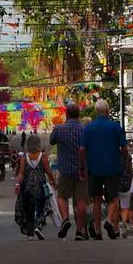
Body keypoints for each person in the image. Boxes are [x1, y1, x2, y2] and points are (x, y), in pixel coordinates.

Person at [80, 98, 127, 241]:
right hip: (112, 167)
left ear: (96, 112)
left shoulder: (88, 128)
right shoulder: (115, 127)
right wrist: (123, 159)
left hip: (94, 169)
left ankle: (97, 231)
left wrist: (82, 167)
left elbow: (82, 149)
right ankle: (108, 221)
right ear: (107, 111)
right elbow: (124, 148)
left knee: (96, 200)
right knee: (113, 198)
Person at [47, 102, 87, 240]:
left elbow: (51, 141)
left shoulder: (59, 129)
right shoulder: (84, 130)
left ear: (66, 114)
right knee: (81, 200)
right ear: (79, 115)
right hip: (82, 170)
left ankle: (65, 219)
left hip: (64, 169)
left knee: (62, 196)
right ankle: (80, 231)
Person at [14, 135, 50, 240]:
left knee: (28, 209)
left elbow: (21, 173)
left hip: (27, 187)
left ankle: (30, 233)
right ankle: (38, 226)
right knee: (40, 207)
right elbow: (48, 170)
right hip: (40, 186)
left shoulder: (24, 158)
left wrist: (17, 184)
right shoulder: (42, 156)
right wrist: (52, 181)